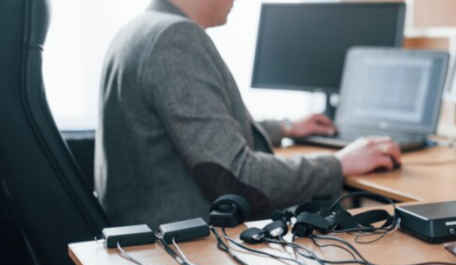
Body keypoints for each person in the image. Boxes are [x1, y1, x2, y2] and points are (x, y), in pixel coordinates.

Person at [96, 0, 401, 228]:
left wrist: (285, 127)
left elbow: (196, 133)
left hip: (146, 232)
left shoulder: (140, 30)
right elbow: (236, 178)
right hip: (182, 251)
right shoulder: (175, 38)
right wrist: (338, 164)